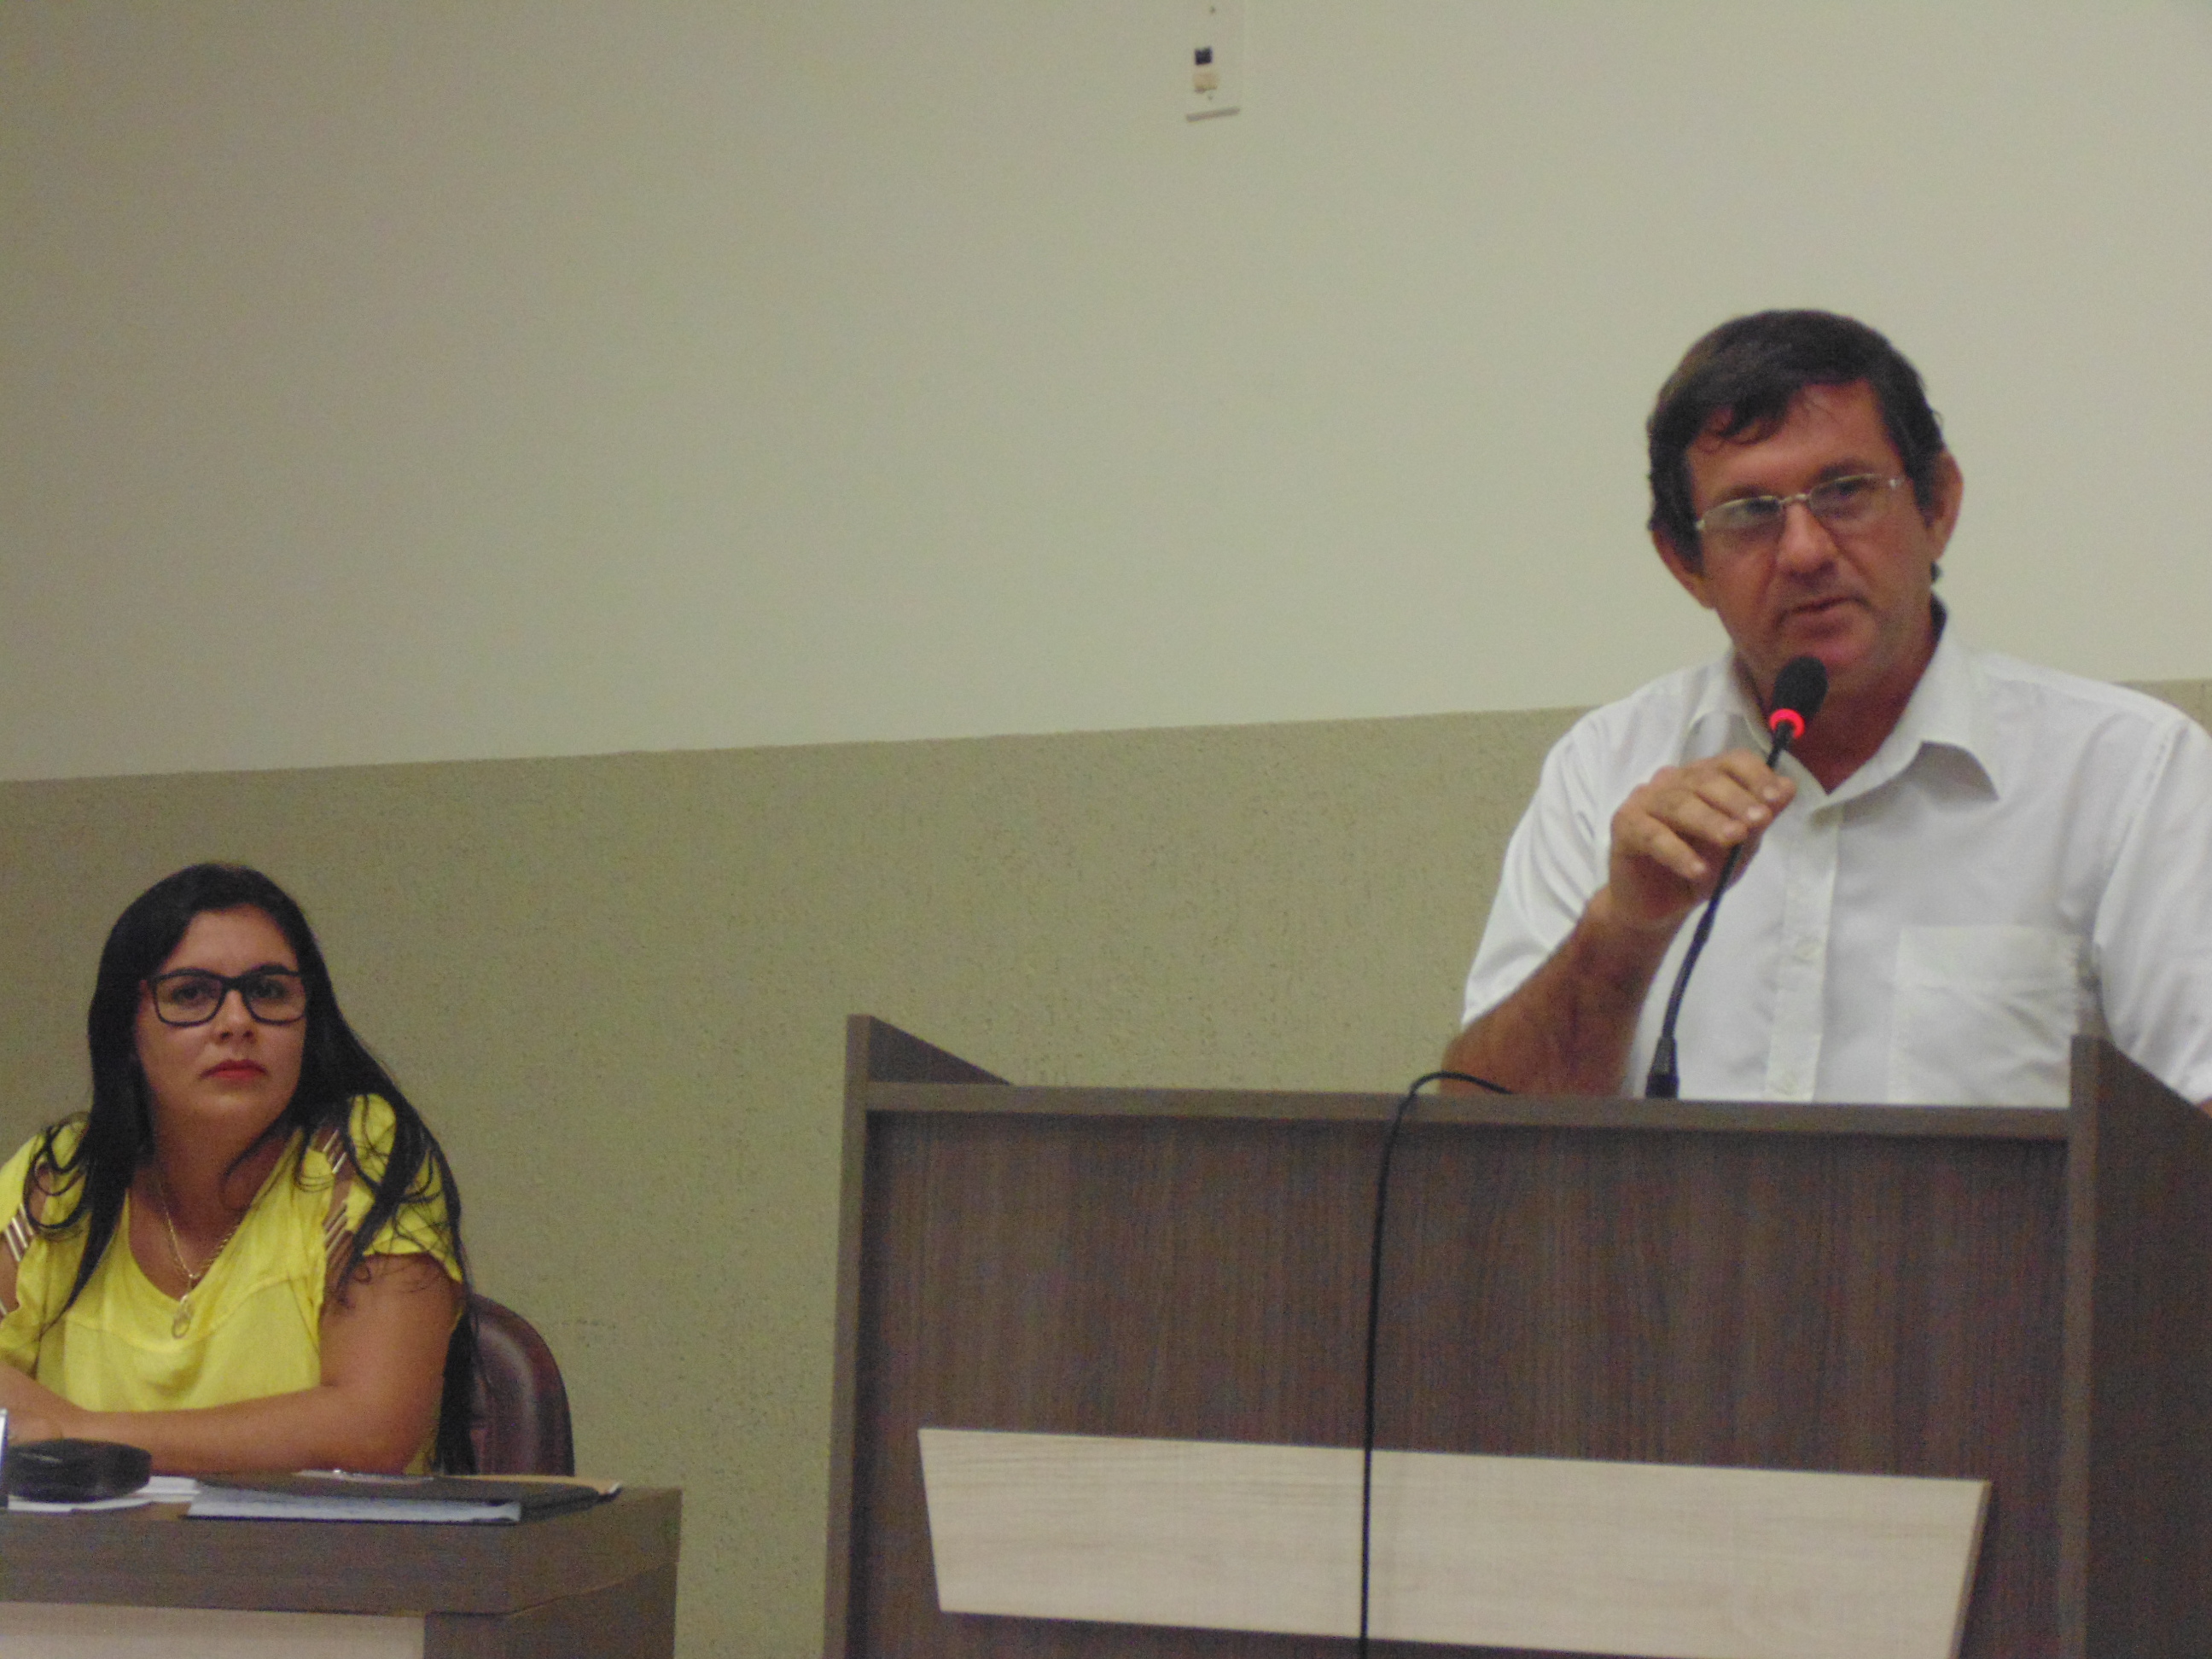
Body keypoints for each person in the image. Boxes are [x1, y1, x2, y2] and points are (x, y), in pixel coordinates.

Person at [1446, 310, 2212, 1109]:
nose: (1805, 551)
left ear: (1937, 507)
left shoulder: (2128, 773)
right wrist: (1624, 932)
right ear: (1686, 563)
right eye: (1749, 512)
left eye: (1845, 492)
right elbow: (1483, 1143)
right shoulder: (1606, 768)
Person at [0, 863, 475, 1473]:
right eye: (190, 994)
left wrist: (79, 1435)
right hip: (89, 1539)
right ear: (126, 1030)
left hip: (328, 1540)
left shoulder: (364, 1152)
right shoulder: (62, 1177)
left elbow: (372, 1430)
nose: (236, 1023)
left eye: (269, 991)